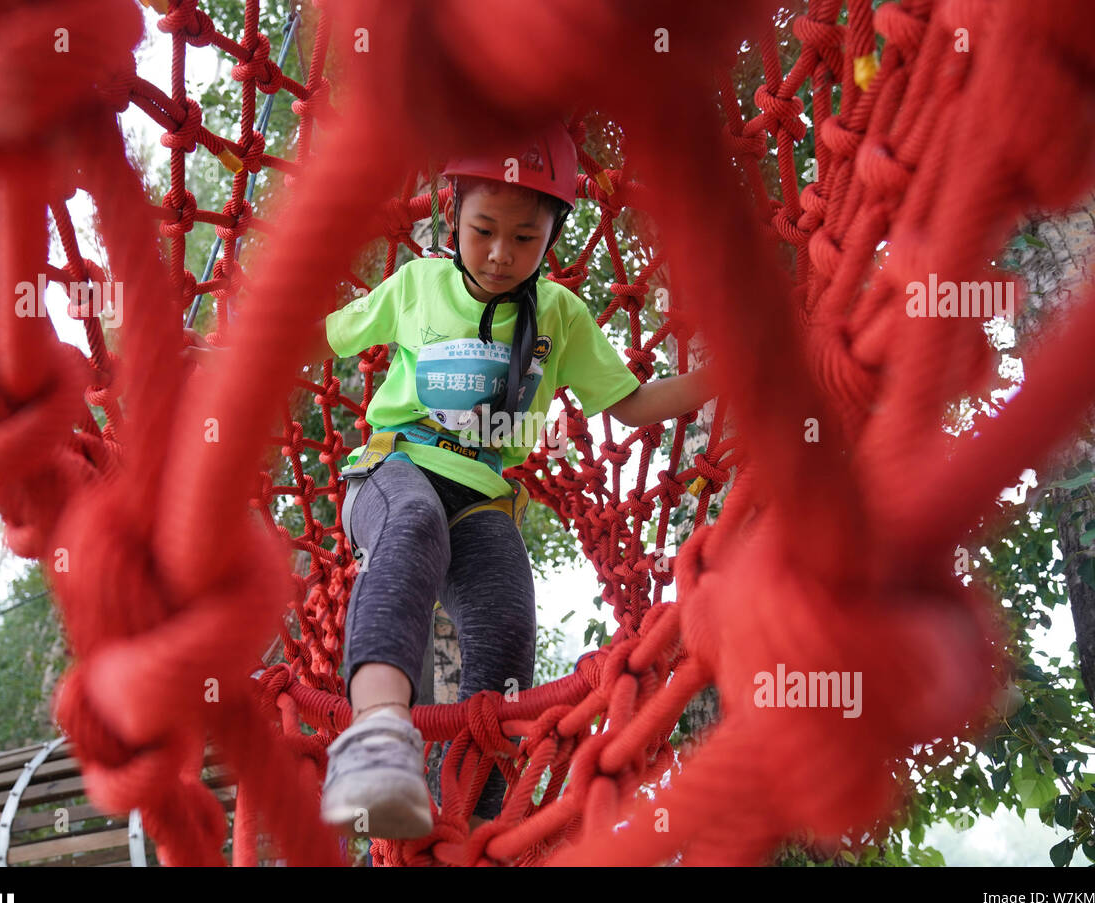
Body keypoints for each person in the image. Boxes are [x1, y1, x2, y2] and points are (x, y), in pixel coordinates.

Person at [189, 122, 715, 841]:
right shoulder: (419, 286)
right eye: (484, 229)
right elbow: (325, 335)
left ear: (554, 235)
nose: (501, 254)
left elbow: (631, 404)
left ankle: (473, 821)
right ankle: (376, 738)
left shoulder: (560, 315)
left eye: (525, 238)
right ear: (453, 214)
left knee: (507, 623)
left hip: (481, 495)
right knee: (413, 526)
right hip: (391, 467)